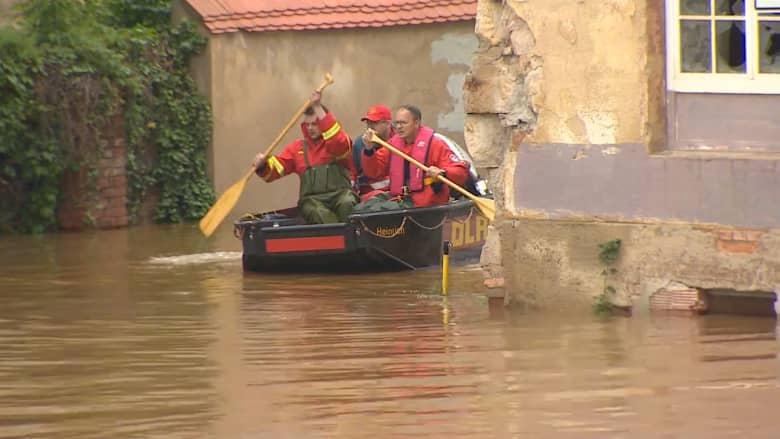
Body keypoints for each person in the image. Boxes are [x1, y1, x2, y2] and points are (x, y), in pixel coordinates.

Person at [252, 90, 358, 224]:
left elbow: (339, 142)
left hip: (340, 195)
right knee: (317, 212)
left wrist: (318, 107)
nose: (310, 128)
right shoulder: (296, 148)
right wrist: (262, 165)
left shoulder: (337, 142)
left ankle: (348, 236)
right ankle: (340, 237)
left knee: (347, 202)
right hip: (312, 201)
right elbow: (276, 169)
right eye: (307, 124)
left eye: (314, 124)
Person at [355, 104, 469, 211]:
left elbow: (460, 171)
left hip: (423, 202)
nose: (399, 127)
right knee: (361, 208)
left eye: (403, 123)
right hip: (400, 198)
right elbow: (374, 171)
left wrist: (442, 172)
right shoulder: (393, 144)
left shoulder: (435, 144)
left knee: (372, 210)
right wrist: (369, 150)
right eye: (397, 123)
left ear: (416, 123)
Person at [351, 104, 394, 201]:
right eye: (368, 123)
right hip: (371, 196)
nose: (370, 128)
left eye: (374, 123)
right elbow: (353, 173)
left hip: (398, 194)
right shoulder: (359, 144)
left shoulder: (400, 140)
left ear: (387, 123)